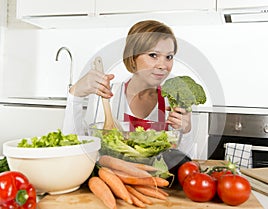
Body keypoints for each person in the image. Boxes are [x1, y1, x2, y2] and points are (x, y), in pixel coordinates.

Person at [62, 20, 192, 154]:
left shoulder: (172, 102)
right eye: (153, 55)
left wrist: (186, 132)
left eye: (169, 57)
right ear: (132, 57)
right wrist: (75, 96)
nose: (163, 65)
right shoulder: (105, 95)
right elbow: (75, 149)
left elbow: (184, 162)